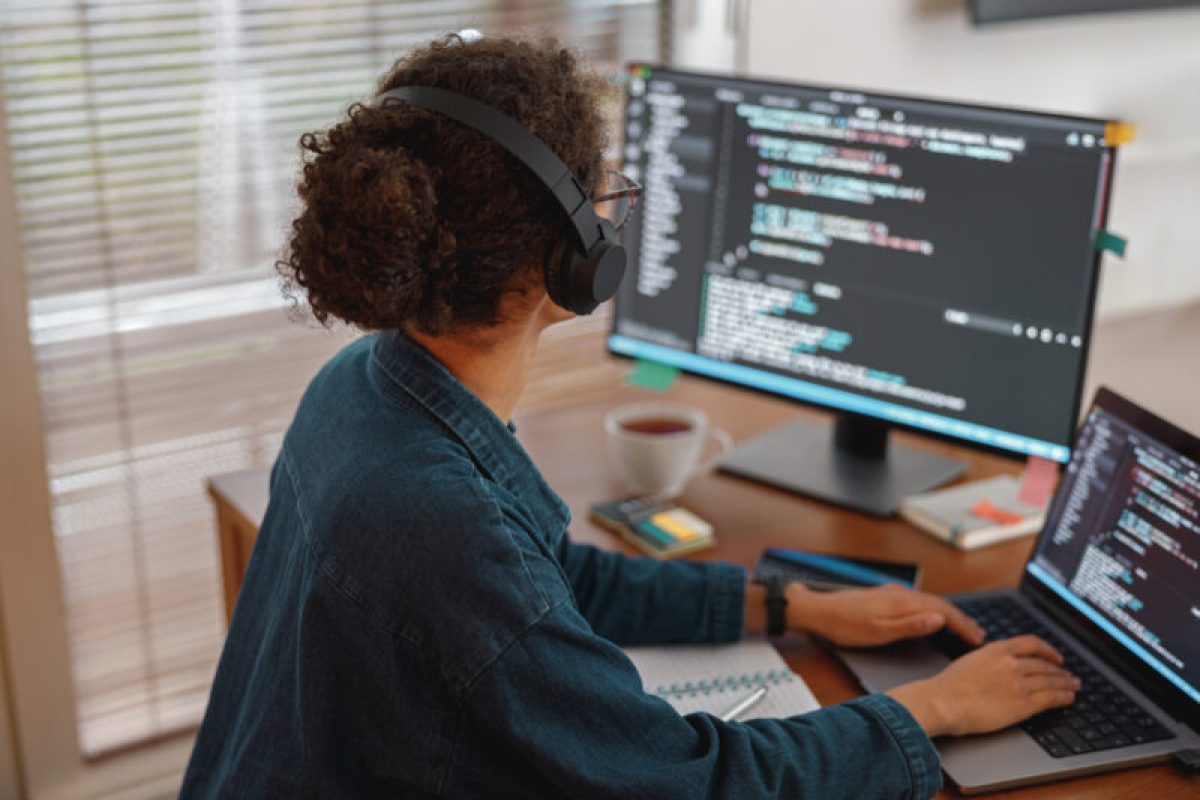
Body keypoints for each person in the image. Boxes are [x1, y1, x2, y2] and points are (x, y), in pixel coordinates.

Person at [181, 35, 1080, 799]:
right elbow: (686, 782)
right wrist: (934, 710)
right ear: (567, 260)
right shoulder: (441, 519)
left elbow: (550, 584)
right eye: (602, 198)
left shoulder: (365, 387)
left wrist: (787, 603)